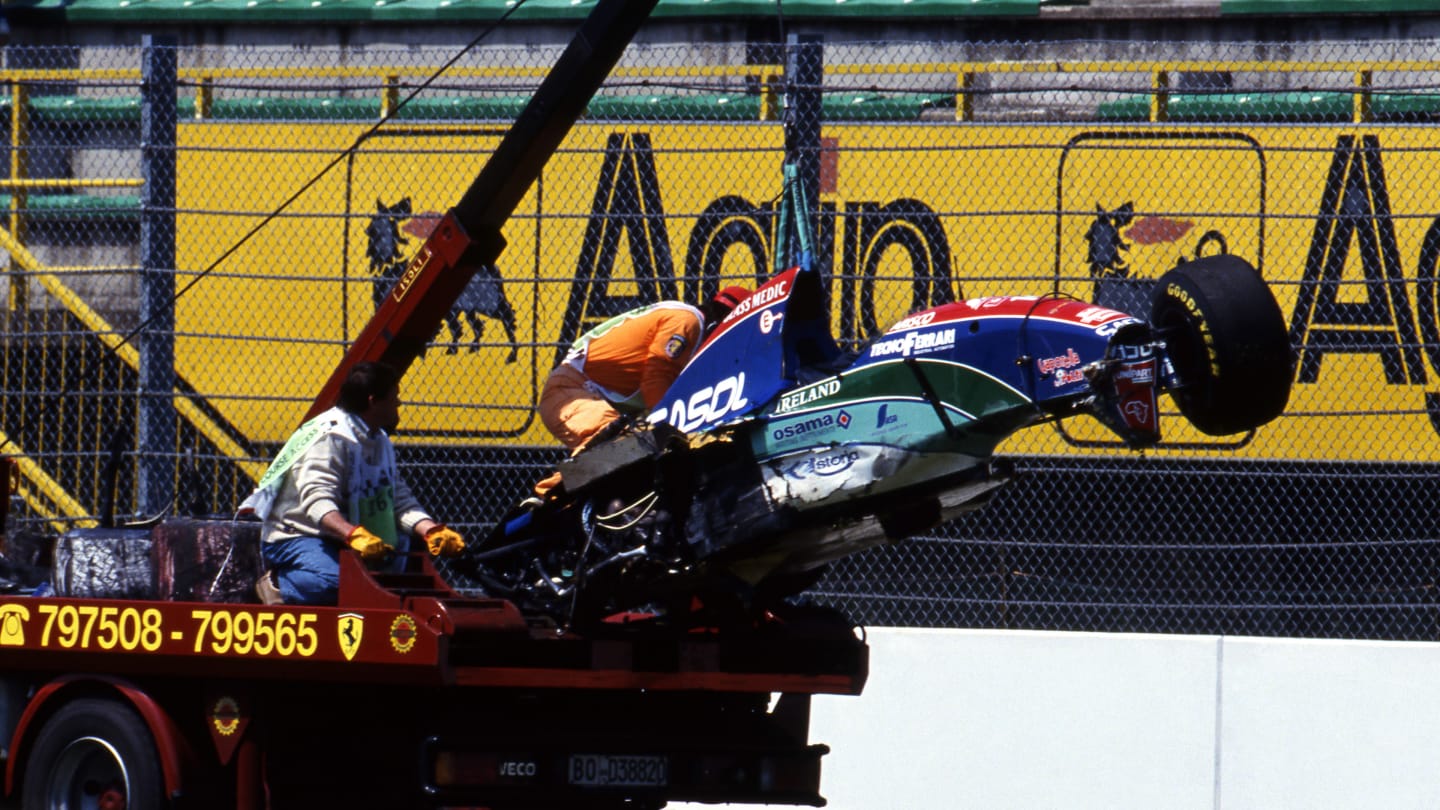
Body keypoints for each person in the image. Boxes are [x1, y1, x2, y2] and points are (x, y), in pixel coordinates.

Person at [240, 361, 465, 605]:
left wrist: (430, 531)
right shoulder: (330, 438)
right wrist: (353, 535)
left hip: (345, 538)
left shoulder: (378, 439)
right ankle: (279, 584)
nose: (399, 404)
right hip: (296, 536)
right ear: (373, 401)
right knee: (339, 585)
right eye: (394, 397)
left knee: (400, 574)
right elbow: (317, 502)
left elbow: (397, 497)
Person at [531, 287, 750, 497]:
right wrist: (672, 428)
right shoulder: (688, 322)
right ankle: (544, 501)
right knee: (614, 448)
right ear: (725, 320)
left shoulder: (692, 333)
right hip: (571, 391)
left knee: (629, 458)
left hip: (585, 392)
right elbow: (655, 379)